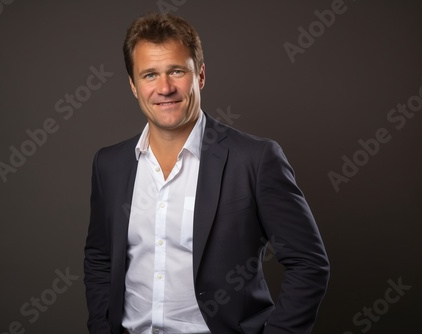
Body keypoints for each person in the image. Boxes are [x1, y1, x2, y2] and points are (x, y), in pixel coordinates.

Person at [84, 12, 330, 334]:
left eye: (176, 71)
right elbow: (100, 258)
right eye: (149, 75)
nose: (165, 88)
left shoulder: (254, 160)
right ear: (133, 85)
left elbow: (309, 264)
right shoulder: (110, 165)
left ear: (199, 75)